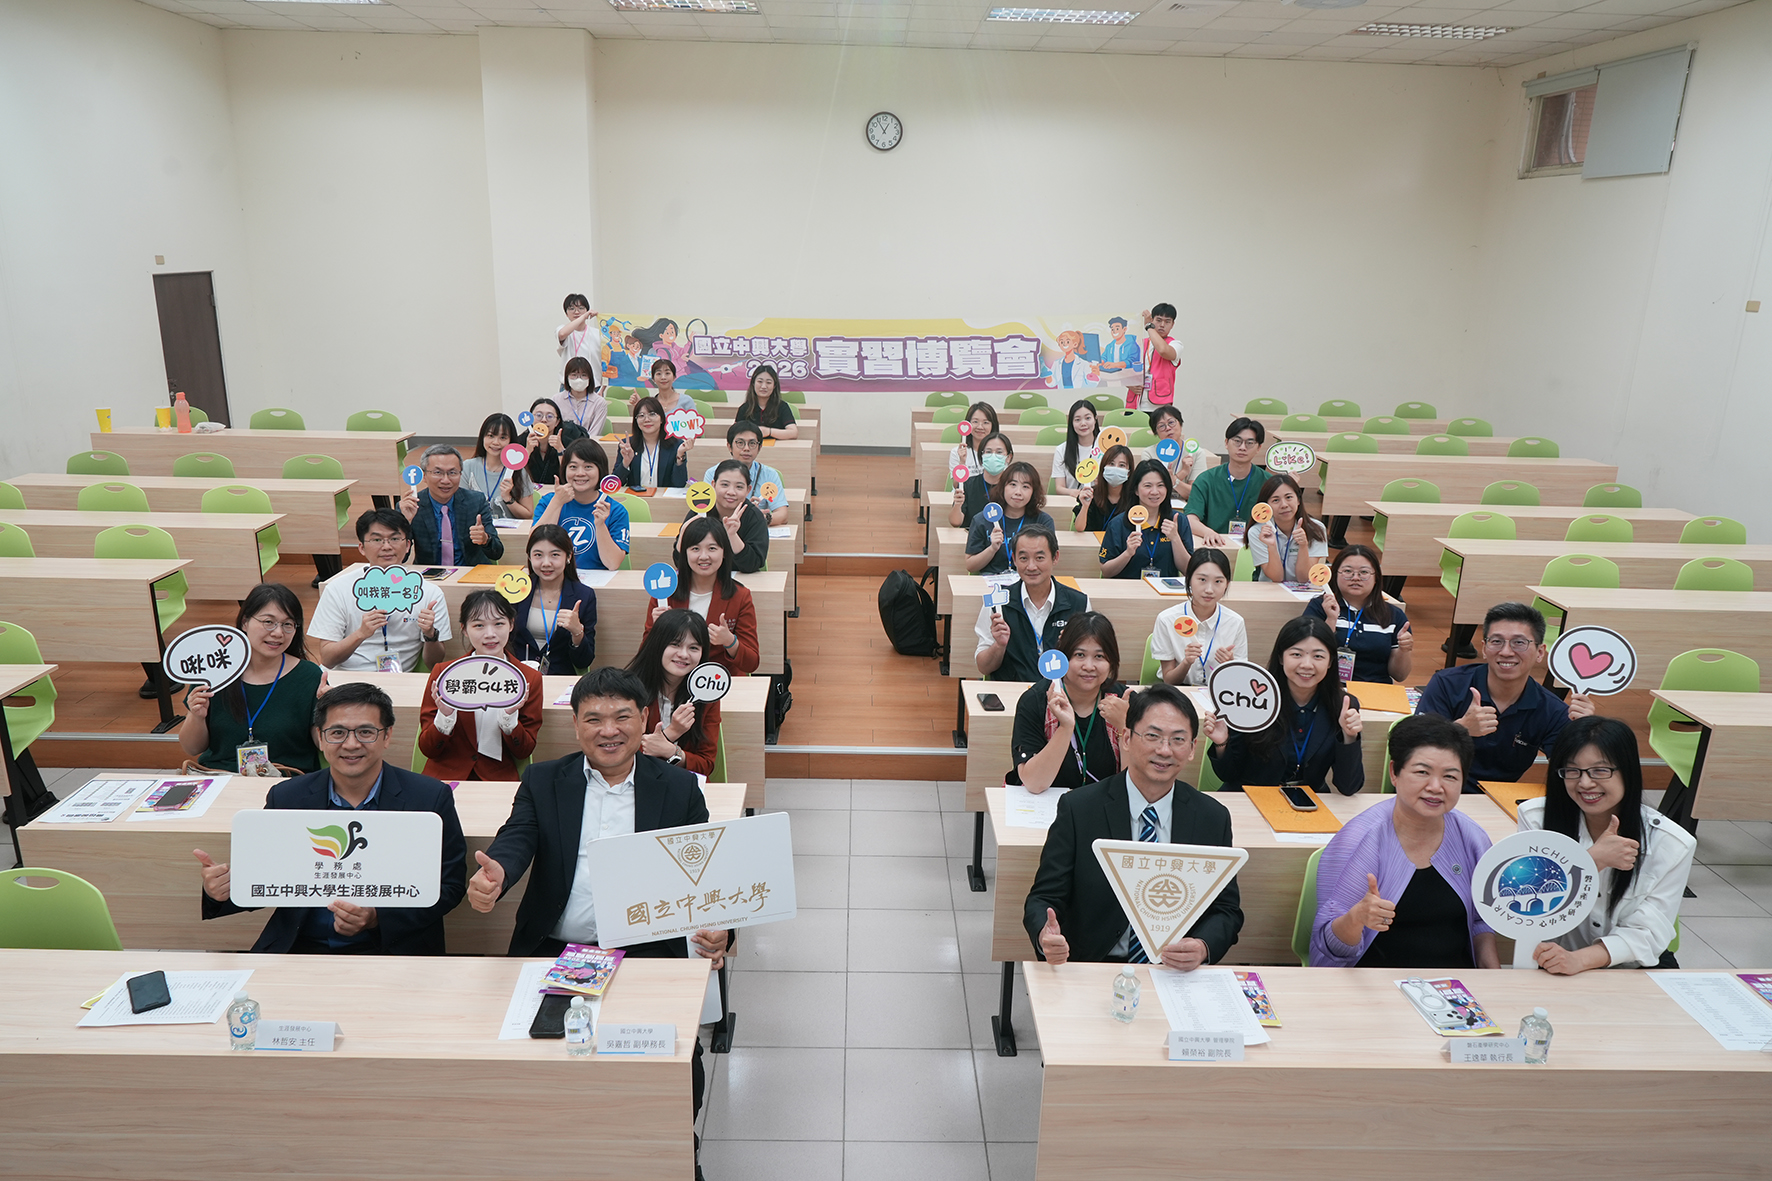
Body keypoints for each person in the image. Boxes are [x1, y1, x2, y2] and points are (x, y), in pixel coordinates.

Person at [463, 667, 726, 1177]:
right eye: (594, 719)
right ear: (576, 724)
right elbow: (517, 836)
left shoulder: (679, 788)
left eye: (622, 717)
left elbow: (702, 874)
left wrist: (720, 930)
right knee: (540, 1065)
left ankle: (671, 1152)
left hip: (648, 953)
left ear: (645, 718)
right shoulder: (544, 779)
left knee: (667, 1064)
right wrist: (498, 875)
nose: (609, 731)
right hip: (558, 951)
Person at [192, 682, 467, 954]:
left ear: (387, 736)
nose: (351, 744)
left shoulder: (429, 798)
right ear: (320, 738)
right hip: (301, 948)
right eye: (337, 732)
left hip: (393, 948)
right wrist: (221, 890)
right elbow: (264, 880)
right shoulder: (287, 797)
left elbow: (450, 886)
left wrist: (376, 917)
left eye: (366, 732)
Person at [1024, 684, 1243, 966]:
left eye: (1178, 739)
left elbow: (1226, 909)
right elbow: (1044, 897)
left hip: (1174, 968)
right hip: (1095, 964)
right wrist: (1045, 935)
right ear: (1126, 738)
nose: (1164, 750)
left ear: (1192, 749)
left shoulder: (1212, 817)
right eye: (1152, 736)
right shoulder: (1079, 808)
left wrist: (1203, 946)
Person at [1310, 714, 1500, 969]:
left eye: (1450, 776)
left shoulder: (1472, 837)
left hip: (1454, 983)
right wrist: (1356, 918)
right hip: (1375, 981)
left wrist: (1493, 976)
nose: (1436, 787)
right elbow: (1327, 947)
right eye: (1422, 772)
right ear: (1394, 773)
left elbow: (1481, 921)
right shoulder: (1359, 840)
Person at [1518, 716, 1696, 973]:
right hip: (1554, 959)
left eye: (1600, 770)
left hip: (1632, 966)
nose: (1585, 783)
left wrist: (1580, 960)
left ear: (1628, 771)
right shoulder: (1536, 818)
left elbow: (1648, 933)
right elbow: (1524, 905)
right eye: (1572, 770)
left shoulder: (1672, 843)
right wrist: (1591, 861)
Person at [1414, 602, 1594, 786]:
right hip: (1437, 790)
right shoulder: (1447, 683)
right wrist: (1461, 729)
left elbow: (1574, 770)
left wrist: (1587, 733)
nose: (1506, 652)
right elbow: (1412, 747)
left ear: (1540, 652)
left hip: (1500, 798)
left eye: (1519, 643)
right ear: (1484, 648)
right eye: (1496, 641)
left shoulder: (1552, 710)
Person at [177, 583, 326, 775]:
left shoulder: (309, 676)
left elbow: (324, 744)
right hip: (222, 778)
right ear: (245, 622)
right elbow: (192, 748)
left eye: (288, 624)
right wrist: (197, 716)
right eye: (268, 622)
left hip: (285, 780)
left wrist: (332, 714)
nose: (278, 633)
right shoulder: (214, 671)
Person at [1204, 616, 1364, 794]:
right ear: (1281, 657)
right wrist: (1222, 743)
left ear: (1330, 662)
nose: (1307, 665)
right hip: (1251, 795)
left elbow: (1349, 787)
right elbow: (1227, 774)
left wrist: (1349, 737)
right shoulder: (1250, 697)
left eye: (1318, 656)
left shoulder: (1344, 705)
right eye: (1296, 654)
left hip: (1308, 801)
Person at [417, 591, 544, 781]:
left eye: (499, 623)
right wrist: (445, 716)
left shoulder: (528, 678)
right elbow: (428, 749)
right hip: (446, 775)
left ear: (511, 624)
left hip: (497, 778)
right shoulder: (444, 674)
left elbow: (524, 750)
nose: (490, 634)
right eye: (479, 625)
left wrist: (509, 718)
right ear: (464, 629)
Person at [309, 509, 449, 673]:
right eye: (377, 540)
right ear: (361, 547)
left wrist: (430, 634)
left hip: (400, 680)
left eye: (394, 539)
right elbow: (327, 659)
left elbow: (434, 663)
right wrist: (361, 634)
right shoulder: (338, 589)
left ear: (408, 545)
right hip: (348, 679)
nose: (387, 547)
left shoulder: (429, 593)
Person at [1009, 612, 1129, 793]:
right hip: (1048, 805)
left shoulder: (1124, 702)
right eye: (1079, 655)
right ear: (1063, 657)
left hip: (1105, 804)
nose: (1089, 666)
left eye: (1099, 656)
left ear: (1111, 661)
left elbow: (1136, 785)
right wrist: (1065, 727)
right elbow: (1034, 783)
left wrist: (1124, 728)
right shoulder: (1035, 701)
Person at [648, 515, 760, 677]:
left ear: (724, 552)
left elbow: (751, 663)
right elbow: (646, 654)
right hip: (674, 679)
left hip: (719, 680)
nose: (703, 556)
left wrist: (729, 641)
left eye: (712, 548)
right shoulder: (664, 592)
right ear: (685, 553)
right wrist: (658, 630)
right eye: (695, 549)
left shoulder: (740, 596)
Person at [974, 525, 1089, 681]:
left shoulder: (1079, 603)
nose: (1031, 566)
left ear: (1055, 557)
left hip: (1060, 691)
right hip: (1012, 691)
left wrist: (1072, 648)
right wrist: (999, 645)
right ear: (1014, 559)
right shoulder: (997, 603)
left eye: (1039, 558)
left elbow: (1089, 662)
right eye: (1023, 558)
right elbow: (983, 667)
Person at [625, 608, 723, 776]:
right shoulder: (628, 690)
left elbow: (706, 764)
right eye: (675, 644)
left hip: (684, 782)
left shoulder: (705, 694)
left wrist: (673, 752)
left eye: (693, 648)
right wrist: (673, 732)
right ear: (657, 644)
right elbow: (622, 757)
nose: (684, 654)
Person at [1303, 544, 1413, 684]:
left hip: (1376, 689)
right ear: (1335, 574)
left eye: (1364, 572)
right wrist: (1331, 620)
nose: (1355, 578)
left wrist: (1403, 650)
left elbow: (1400, 675)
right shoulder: (1320, 607)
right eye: (1348, 571)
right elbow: (1307, 654)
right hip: (1330, 687)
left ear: (1376, 577)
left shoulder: (1394, 615)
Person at [507, 524, 597, 674]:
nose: (546, 563)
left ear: (568, 556)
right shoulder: (515, 590)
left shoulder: (583, 596)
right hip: (517, 674)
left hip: (559, 676)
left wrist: (577, 632)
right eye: (538, 555)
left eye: (555, 555)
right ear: (529, 557)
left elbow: (584, 661)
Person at [532, 438, 632, 571]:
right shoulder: (549, 501)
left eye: (588, 467)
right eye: (573, 467)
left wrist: (600, 525)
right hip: (554, 576)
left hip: (596, 579)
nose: (580, 473)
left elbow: (612, 563)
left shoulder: (615, 510)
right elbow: (534, 544)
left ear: (600, 470)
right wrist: (557, 503)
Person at [1151, 549, 1246, 687]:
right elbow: (1169, 681)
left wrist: (1230, 666)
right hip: (1179, 692)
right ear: (1189, 579)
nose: (1209, 590)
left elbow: (1239, 681)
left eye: (1218, 581)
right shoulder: (1167, 619)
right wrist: (1186, 662)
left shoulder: (1235, 622)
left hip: (1218, 692)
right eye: (1202, 580)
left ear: (1227, 584)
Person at [401, 444, 505, 567]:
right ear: (424, 476)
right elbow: (401, 558)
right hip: (430, 575)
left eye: (452, 473)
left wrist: (485, 539)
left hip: (470, 572)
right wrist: (405, 524)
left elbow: (497, 552)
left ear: (460, 474)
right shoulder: (411, 507)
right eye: (438, 472)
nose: (446, 480)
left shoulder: (476, 501)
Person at [1097, 459, 1193, 579]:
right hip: (1128, 588)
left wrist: (1175, 538)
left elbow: (1188, 571)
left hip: (1163, 590)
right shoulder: (1118, 524)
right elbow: (1106, 572)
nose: (1155, 492)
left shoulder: (1178, 520)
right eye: (1148, 486)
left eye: (1160, 485)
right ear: (1136, 490)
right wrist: (1128, 553)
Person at [1186, 417, 1269, 548]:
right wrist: (1208, 532)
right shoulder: (1206, 479)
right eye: (1237, 441)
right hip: (1214, 546)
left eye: (1250, 443)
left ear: (1259, 448)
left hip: (1255, 547)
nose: (1242, 447)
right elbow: (1190, 519)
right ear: (1226, 443)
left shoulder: (1268, 482)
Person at [965, 460, 1053, 576]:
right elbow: (970, 566)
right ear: (1002, 487)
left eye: (1025, 487)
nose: (1018, 492)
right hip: (991, 580)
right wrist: (992, 548)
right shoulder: (983, 519)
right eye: (1013, 485)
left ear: (1034, 492)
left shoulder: (1043, 522)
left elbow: (1049, 560)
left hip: (1029, 579)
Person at [705, 420, 789, 525]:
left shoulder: (770, 475)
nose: (746, 448)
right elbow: (706, 510)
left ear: (759, 448)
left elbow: (782, 515)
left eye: (752, 443)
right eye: (740, 443)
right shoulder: (713, 473)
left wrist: (758, 518)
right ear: (729, 446)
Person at [695, 458, 770, 574]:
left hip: (740, 580)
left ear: (748, 490)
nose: (731, 492)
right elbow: (680, 559)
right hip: (703, 578)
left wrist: (732, 535)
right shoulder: (701, 510)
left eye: (739, 487)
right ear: (713, 485)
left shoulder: (754, 516)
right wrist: (684, 531)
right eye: (725, 485)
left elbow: (753, 564)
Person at [1248, 473, 1326, 584]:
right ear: (1266, 506)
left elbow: (1303, 578)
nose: (1284, 505)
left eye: (1289, 497)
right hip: (1269, 590)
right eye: (1276, 500)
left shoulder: (1316, 529)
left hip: (1303, 591)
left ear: (1298, 500)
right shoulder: (1257, 532)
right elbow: (1276, 578)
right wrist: (1272, 546)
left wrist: (1303, 546)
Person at [461, 412, 536, 521]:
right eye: (491, 436)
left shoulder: (518, 471)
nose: (496, 442)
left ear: (510, 441)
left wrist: (508, 498)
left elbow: (528, 514)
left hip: (509, 531)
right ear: (482, 437)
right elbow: (460, 507)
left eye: (503, 437)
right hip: (476, 529)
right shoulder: (468, 467)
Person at [614, 395, 688, 490]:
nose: (647, 419)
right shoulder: (627, 445)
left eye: (652, 414)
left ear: (661, 419)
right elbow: (615, 484)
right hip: (636, 497)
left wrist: (680, 456)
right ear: (636, 420)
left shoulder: (676, 445)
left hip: (663, 498)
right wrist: (626, 462)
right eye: (641, 415)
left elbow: (680, 484)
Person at [948, 431, 1012, 530]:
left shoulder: (1013, 487)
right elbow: (955, 522)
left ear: (1008, 457)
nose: (993, 456)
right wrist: (957, 504)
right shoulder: (968, 484)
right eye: (988, 452)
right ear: (981, 455)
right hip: (973, 536)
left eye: (999, 452)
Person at [523, 393, 587, 490]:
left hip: (562, 491)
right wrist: (527, 451)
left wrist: (560, 450)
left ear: (557, 422)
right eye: (539, 415)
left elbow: (574, 474)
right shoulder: (522, 440)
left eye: (549, 416)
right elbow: (516, 475)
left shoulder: (568, 441)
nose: (544, 420)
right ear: (531, 419)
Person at [1146, 405, 1209, 501]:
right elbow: (1151, 491)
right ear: (1156, 432)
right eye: (1161, 426)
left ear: (1180, 424)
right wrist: (1183, 472)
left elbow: (1196, 493)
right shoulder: (1149, 453)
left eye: (1171, 422)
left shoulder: (1196, 452)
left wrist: (1173, 480)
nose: (1168, 428)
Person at [1070, 443, 1134, 533]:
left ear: (1129, 472)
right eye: (1111, 464)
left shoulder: (1134, 498)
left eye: (1122, 465)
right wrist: (1085, 506)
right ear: (1103, 467)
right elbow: (1079, 528)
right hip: (1093, 541)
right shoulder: (1091, 494)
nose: (1116, 468)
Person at [1133, 303, 1182, 413]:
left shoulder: (1175, 344)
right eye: (1158, 320)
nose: (1162, 325)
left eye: (1167, 321)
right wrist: (1129, 384)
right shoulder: (1140, 344)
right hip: (1135, 403)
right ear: (1152, 320)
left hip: (1159, 406)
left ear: (1172, 324)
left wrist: (1149, 327)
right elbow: (1125, 370)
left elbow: (1163, 350)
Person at [734, 362, 799, 440]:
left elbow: (793, 433)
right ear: (753, 383)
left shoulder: (782, 407)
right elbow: (734, 433)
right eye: (760, 382)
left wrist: (769, 431)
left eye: (768, 382)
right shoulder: (745, 408)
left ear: (774, 386)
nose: (764, 386)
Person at [1052, 399, 1100, 493]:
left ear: (1095, 419)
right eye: (1077, 420)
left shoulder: (1105, 447)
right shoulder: (1061, 450)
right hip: (1072, 499)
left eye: (1088, 418)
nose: (1083, 423)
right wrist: (1076, 493)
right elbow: (1059, 488)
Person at [947, 401, 1000, 482]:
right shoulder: (957, 452)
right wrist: (962, 462)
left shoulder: (999, 452)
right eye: (975, 422)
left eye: (986, 422)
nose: (980, 427)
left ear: (993, 425)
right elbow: (956, 485)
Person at [556, 294, 599, 385]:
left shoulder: (597, 334)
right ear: (566, 313)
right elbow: (562, 334)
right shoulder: (563, 329)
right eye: (572, 309)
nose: (576, 312)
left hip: (593, 385)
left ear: (587, 310)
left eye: (581, 308)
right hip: (568, 384)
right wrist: (584, 317)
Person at [1096, 316, 1142, 391]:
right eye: (1112, 329)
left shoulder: (1132, 345)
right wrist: (1101, 362)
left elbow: (1132, 361)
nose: (1114, 331)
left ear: (1124, 329)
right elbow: (1104, 357)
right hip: (1110, 376)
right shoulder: (1109, 346)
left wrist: (1115, 365)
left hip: (1127, 379)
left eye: (1117, 329)